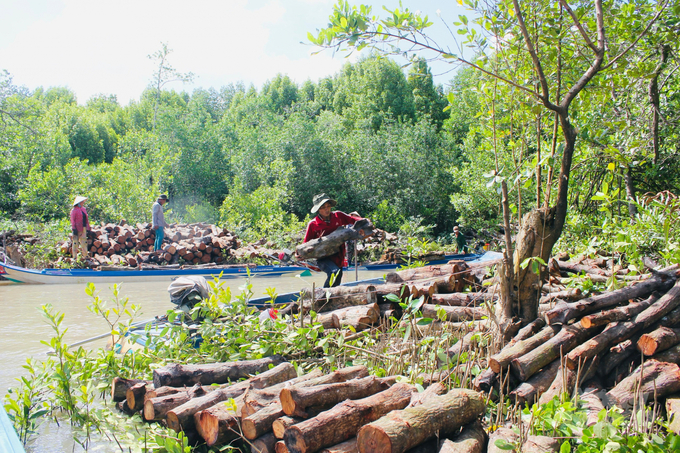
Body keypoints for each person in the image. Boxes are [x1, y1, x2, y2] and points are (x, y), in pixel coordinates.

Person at [302, 193, 363, 288]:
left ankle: (331, 299)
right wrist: (300, 254)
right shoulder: (313, 224)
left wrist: (364, 221)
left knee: (338, 278)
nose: (327, 209)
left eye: (328, 206)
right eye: (323, 207)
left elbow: (352, 219)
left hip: (338, 255)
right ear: (318, 209)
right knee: (334, 272)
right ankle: (322, 297)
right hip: (322, 257)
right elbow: (305, 243)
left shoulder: (338, 216)